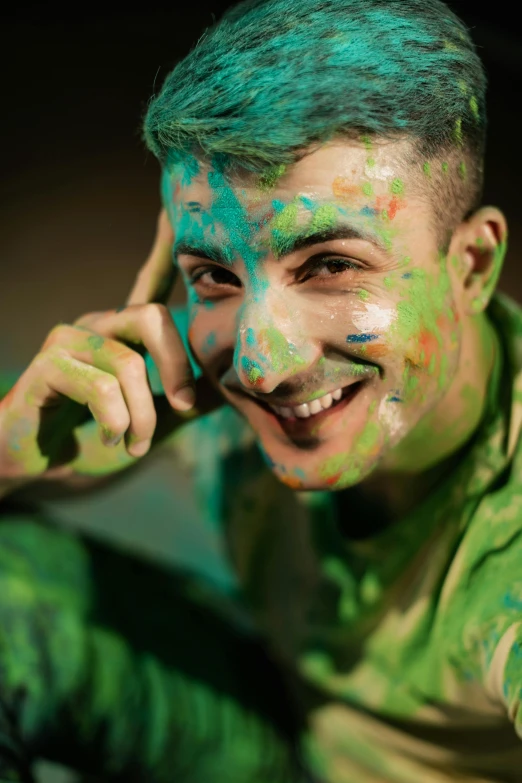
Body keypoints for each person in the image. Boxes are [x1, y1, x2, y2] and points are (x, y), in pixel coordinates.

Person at [0, 0, 520, 780]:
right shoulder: (196, 366)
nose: (262, 363)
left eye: (332, 265)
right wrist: (14, 451)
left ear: (471, 266)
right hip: (273, 716)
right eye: (215, 274)